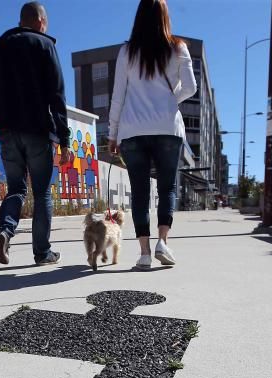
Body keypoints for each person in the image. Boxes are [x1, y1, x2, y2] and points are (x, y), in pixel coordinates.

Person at [0, 1, 73, 266]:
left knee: (16, 188)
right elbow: (57, 96)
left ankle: (4, 232)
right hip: (38, 131)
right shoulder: (45, 45)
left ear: (21, 21)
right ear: (40, 21)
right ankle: (42, 252)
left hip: (6, 132)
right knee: (41, 193)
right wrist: (65, 140)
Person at [107, 0, 197, 270]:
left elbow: (118, 96)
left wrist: (113, 134)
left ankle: (144, 253)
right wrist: (169, 100)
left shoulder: (127, 52)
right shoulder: (178, 47)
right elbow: (191, 87)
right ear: (165, 16)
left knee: (140, 192)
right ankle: (163, 242)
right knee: (167, 186)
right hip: (168, 128)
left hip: (132, 131)